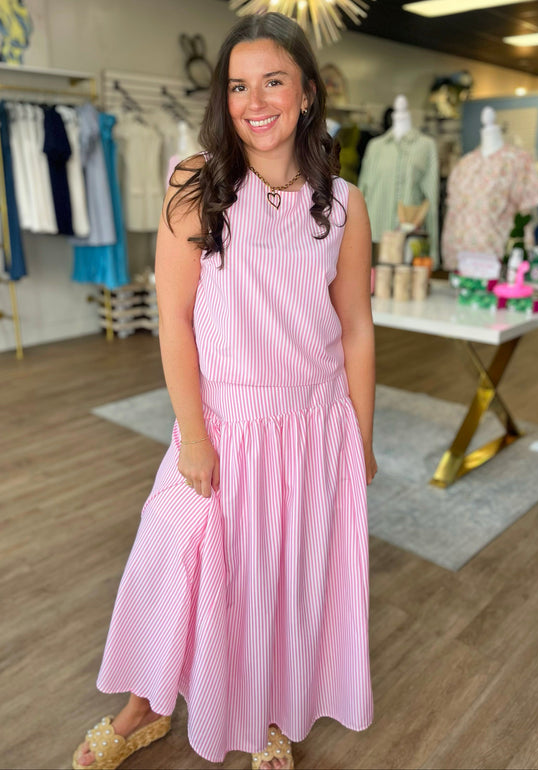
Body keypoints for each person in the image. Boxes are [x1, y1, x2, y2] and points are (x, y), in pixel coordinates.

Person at [72, 12, 376, 770]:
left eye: (273, 80)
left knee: (279, 579)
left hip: (312, 425)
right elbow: (173, 321)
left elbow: (359, 331)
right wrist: (195, 436)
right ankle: (145, 707)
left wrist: (360, 442)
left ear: (307, 93)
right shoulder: (195, 181)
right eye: (238, 85)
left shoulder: (341, 203)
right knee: (174, 559)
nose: (255, 100)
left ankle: (266, 711)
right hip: (224, 420)